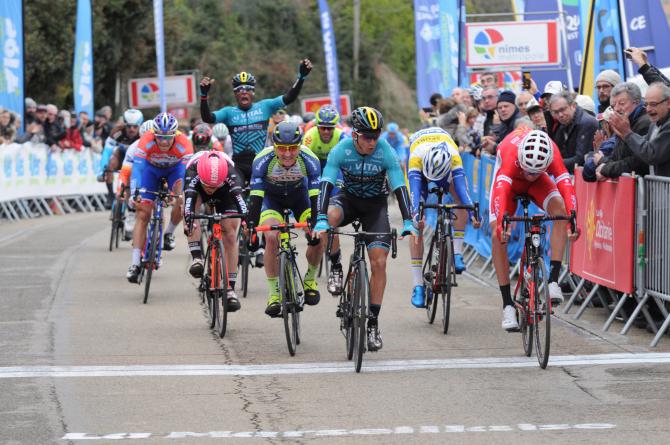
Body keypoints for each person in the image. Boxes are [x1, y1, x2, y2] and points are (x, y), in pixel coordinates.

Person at [313, 106, 417, 352]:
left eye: (376, 136)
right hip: (347, 200)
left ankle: (372, 323)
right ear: (355, 135)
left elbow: (399, 186)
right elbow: (326, 182)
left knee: (379, 262)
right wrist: (319, 217)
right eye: (367, 136)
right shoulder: (342, 150)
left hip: (375, 207)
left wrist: (408, 220)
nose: (372, 142)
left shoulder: (385, 152)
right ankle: (336, 266)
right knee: (329, 217)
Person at [490, 128, 578, 331]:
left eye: (536, 171)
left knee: (561, 212)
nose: (530, 175)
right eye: (528, 170)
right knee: (497, 234)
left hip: (541, 183)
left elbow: (565, 182)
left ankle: (553, 281)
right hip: (509, 182)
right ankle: (507, 305)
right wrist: (503, 222)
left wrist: (573, 218)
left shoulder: (552, 151)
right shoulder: (511, 152)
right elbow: (500, 191)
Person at [246, 121, 323, 316]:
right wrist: (252, 227)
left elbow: (315, 198)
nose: (287, 154)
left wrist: (315, 223)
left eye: (292, 148)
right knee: (271, 237)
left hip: (301, 198)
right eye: (282, 148)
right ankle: (274, 294)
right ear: (274, 147)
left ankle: (310, 280)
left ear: (299, 146)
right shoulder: (262, 160)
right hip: (273, 200)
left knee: (319, 233)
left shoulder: (309, 159)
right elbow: (256, 197)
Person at [199, 59, 313, 184]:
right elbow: (207, 118)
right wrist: (204, 97)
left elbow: (289, 97)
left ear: (253, 92)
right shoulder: (228, 112)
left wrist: (301, 77)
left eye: (248, 89)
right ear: (235, 94)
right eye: (239, 89)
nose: (243, 92)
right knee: (236, 195)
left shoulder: (265, 106)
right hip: (239, 166)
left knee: (266, 196)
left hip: (261, 161)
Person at [406, 127, 480, 308]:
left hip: (445, 151)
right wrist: (416, 216)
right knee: (416, 224)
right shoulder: (416, 158)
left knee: (460, 200)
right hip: (420, 157)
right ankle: (417, 285)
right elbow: (415, 195)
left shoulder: (454, 157)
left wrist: (473, 214)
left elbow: (464, 193)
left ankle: (457, 252)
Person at [126, 113, 193, 283]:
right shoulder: (146, 140)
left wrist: (176, 194)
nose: (163, 142)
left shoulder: (184, 143)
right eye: (160, 137)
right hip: (151, 171)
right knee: (142, 214)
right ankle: (134, 263)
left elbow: (187, 174)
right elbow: (138, 169)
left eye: (168, 137)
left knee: (181, 198)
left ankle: (168, 232)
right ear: (154, 134)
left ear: (175, 134)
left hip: (174, 171)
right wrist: (135, 191)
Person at [183, 150, 247, 311]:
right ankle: (197, 258)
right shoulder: (193, 173)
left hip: (225, 191)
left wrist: (247, 222)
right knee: (191, 215)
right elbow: (189, 205)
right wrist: (189, 221)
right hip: (198, 190)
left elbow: (241, 204)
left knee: (231, 235)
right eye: (208, 186)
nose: (211, 189)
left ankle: (230, 290)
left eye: (214, 186)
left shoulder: (232, 175)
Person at [302, 105, 347, 269]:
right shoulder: (310, 136)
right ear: (317, 126)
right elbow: (302, 162)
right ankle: (311, 225)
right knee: (309, 195)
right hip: (315, 167)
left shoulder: (341, 136)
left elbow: (346, 163)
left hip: (335, 168)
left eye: (329, 128)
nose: (326, 132)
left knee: (334, 200)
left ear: (335, 127)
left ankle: (331, 226)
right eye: (323, 128)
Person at [612, 82, 670, 176]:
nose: (648, 109)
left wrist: (627, 133)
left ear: (668, 103)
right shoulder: (654, 124)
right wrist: (623, 135)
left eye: (653, 104)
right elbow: (643, 144)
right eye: (646, 104)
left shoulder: (666, 125)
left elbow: (651, 154)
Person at [596, 82, 651, 180]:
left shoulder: (645, 123)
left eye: (621, 103)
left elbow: (639, 162)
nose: (616, 109)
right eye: (613, 106)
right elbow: (618, 157)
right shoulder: (622, 121)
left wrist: (605, 167)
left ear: (636, 102)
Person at [99, 109, 144, 208]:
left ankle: (131, 197)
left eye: (135, 126)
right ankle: (110, 194)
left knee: (130, 177)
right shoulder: (117, 131)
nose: (131, 129)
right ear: (124, 124)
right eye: (128, 126)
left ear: (140, 125)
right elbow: (107, 151)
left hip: (136, 159)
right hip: (121, 155)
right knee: (111, 162)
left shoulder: (144, 134)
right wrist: (102, 170)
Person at [118, 120, 154, 240]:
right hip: (139, 172)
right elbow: (125, 172)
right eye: (145, 138)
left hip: (155, 173)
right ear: (140, 136)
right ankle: (131, 213)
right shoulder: (134, 148)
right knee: (130, 177)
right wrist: (121, 188)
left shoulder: (163, 145)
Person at [548, 91, 598, 173]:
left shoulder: (587, 123)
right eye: (556, 112)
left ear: (573, 106)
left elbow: (581, 158)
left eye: (562, 109)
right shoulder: (564, 123)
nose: (560, 115)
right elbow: (558, 152)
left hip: (585, 177)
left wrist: (554, 164)